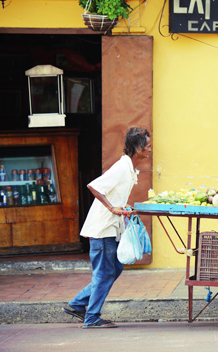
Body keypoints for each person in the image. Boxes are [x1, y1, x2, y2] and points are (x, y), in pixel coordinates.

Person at [63, 127, 151, 328]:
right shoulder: (122, 168)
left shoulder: (129, 168)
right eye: (147, 145)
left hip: (111, 229)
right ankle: (92, 317)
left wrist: (121, 207)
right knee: (104, 273)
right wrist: (112, 208)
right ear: (137, 147)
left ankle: (78, 304)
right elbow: (94, 186)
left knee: (114, 269)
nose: (149, 149)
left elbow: (113, 194)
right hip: (103, 229)